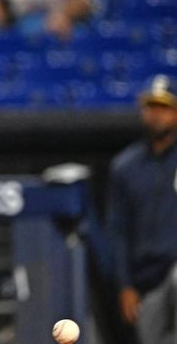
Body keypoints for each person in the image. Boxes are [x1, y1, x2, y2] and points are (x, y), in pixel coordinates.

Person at [106, 74, 177, 344]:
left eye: (165, 106)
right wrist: (125, 285)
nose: (157, 114)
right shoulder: (126, 166)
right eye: (152, 106)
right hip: (146, 279)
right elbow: (117, 231)